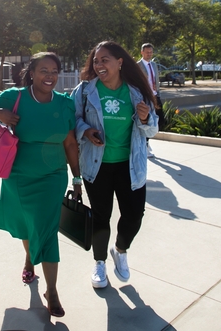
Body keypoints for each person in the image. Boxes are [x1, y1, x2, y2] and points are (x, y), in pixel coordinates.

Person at [0, 52, 81, 318]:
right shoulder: (16, 97)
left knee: (46, 230)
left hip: (53, 176)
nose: (50, 76)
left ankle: (52, 291)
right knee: (27, 223)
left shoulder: (65, 104)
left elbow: (70, 143)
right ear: (31, 72)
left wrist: (77, 178)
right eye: (44, 70)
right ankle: (28, 258)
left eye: (54, 70)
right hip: (19, 176)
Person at [71, 41, 158, 290]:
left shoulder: (136, 92)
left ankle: (120, 249)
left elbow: (152, 128)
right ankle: (99, 262)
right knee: (101, 216)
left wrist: (144, 117)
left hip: (130, 165)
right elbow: (73, 119)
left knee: (134, 216)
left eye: (105, 60)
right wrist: (85, 130)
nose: (99, 65)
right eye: (96, 61)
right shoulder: (85, 91)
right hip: (97, 166)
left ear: (120, 62)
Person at [137, 43, 163, 158]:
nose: (149, 54)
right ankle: (146, 144)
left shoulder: (154, 64)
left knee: (160, 119)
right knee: (147, 121)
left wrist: (158, 94)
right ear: (142, 52)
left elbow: (156, 80)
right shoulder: (138, 66)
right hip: (144, 97)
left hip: (155, 96)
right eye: (147, 52)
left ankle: (147, 141)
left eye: (151, 52)